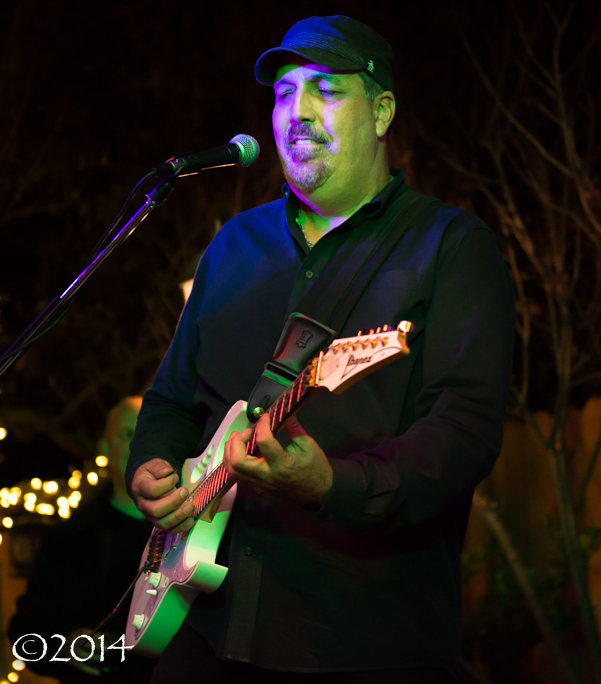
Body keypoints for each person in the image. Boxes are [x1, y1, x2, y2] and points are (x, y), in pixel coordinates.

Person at [128, 15, 514, 684]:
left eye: (326, 89)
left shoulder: (450, 248)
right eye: (284, 92)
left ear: (382, 111)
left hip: (362, 639)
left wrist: (334, 486)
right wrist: (153, 465)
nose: (297, 111)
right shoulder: (234, 246)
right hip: (204, 628)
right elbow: (170, 400)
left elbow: (464, 433)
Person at [8, 397, 155, 683]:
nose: (139, 444)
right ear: (105, 448)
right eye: (128, 434)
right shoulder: (69, 538)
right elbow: (26, 629)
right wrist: (64, 646)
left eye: (148, 433)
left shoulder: (187, 530)